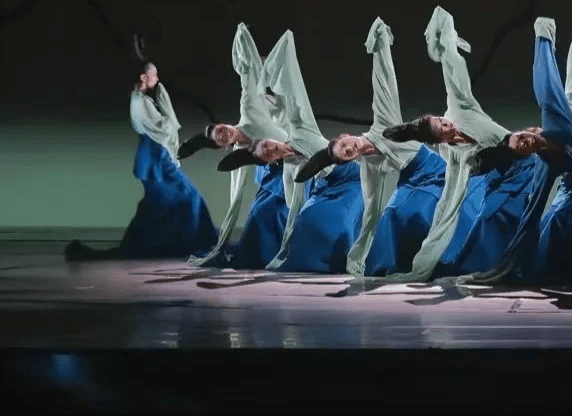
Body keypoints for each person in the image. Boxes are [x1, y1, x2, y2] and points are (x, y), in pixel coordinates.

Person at [463, 18, 572, 287]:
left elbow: (546, 88)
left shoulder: (557, 122)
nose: (526, 143)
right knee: (553, 219)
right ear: (525, 156)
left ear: (528, 130)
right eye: (522, 149)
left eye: (522, 137)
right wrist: (504, 268)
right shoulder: (545, 166)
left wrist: (543, 36)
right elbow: (529, 218)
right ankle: (560, 272)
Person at [291, 17, 444, 278]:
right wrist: (356, 258)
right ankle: (391, 264)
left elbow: (384, 81)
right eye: (346, 154)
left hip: (434, 171)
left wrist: (380, 46)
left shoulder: (384, 123)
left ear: (345, 135)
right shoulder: (369, 167)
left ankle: (434, 257)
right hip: (411, 182)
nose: (350, 149)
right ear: (348, 160)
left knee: (412, 211)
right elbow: (370, 213)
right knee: (389, 215)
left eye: (345, 144)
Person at [377, 7, 519, 282]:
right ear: (438, 141)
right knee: (465, 214)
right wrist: (423, 265)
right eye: (442, 129)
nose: (447, 125)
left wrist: (445, 45)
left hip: (522, 149)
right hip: (507, 174)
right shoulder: (453, 156)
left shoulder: (458, 109)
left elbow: (448, 44)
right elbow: (447, 206)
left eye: (442, 121)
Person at [217, 30, 364, 274]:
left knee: (320, 218)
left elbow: (288, 59)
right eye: (268, 152)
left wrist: (265, 66)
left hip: (348, 180)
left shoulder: (297, 121)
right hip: (312, 180)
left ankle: (339, 254)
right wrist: (285, 250)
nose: (272, 148)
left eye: (269, 146)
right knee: (286, 216)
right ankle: (292, 252)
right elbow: (294, 204)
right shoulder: (257, 114)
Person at [64, 37, 218, 261]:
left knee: (167, 203)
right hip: (156, 157)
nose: (157, 79)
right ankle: (195, 243)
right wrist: (165, 106)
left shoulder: (141, 99)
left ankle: (185, 243)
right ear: (143, 78)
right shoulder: (141, 103)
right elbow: (164, 127)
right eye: (154, 76)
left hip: (156, 155)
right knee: (183, 198)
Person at [181, 23, 293, 270]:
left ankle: (289, 248)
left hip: (296, 161)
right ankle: (273, 254)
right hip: (275, 176)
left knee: (274, 211)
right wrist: (220, 246)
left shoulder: (250, 110)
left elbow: (247, 74)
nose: (225, 134)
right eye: (221, 138)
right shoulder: (239, 154)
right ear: (224, 146)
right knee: (261, 216)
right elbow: (235, 200)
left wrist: (243, 36)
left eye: (221, 129)